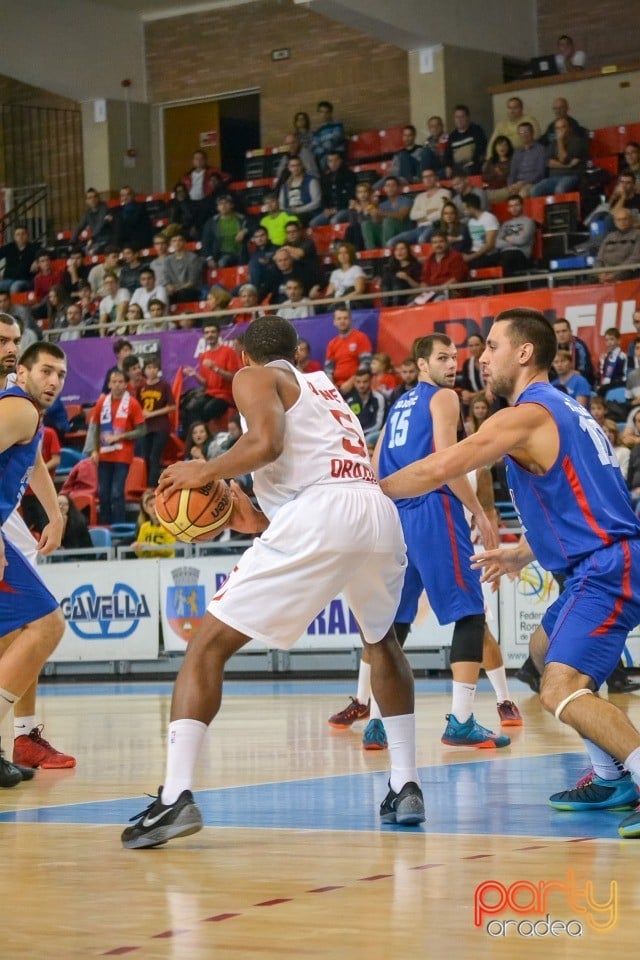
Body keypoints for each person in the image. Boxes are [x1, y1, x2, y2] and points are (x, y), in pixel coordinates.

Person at [122, 315, 424, 848]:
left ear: (242, 356)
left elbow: (266, 444)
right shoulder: (324, 387)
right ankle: (405, 786)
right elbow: (315, 483)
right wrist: (259, 520)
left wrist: (204, 471)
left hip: (325, 513)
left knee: (205, 647)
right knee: (382, 642)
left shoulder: (253, 377)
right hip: (374, 512)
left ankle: (175, 798)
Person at [379, 307, 640, 838]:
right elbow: (578, 496)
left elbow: (439, 466)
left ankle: (628, 769)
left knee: (559, 688)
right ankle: (612, 776)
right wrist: (522, 554)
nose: (481, 358)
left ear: (524, 353)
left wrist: (366, 491)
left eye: (492, 347)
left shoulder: (525, 413)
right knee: (542, 653)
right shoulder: (562, 408)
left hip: (609, 566)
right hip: (597, 561)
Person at [355, 335, 517, 750]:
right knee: (469, 611)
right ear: (422, 364)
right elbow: (447, 463)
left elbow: (374, 467)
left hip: (394, 515)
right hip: (433, 509)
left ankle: (377, 722)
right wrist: (480, 512)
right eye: (442, 358)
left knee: (395, 623)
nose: (452, 364)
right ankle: (461, 720)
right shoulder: (443, 398)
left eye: (455, 358)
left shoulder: (396, 406)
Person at [0, 323, 75, 776]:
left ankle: (16, 741)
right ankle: (21, 735)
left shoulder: (23, 409)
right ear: (25, 372)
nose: (55, 381)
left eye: (62, 374)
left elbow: (32, 458)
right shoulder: (18, 408)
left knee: (22, 630)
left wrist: (56, 512)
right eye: (46, 370)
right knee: (45, 623)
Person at [86, 370, 146, 525]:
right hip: (104, 453)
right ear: (109, 384)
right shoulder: (102, 402)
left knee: (117, 492)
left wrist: (121, 436)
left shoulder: (132, 403)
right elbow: (95, 427)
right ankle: (106, 526)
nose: (117, 385)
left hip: (122, 455)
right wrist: (93, 449)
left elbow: (142, 430)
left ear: (126, 385)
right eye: (114, 382)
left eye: (121, 382)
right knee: (103, 493)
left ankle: (119, 525)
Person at [181, 321, 242, 429]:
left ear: (219, 334)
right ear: (204, 335)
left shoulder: (228, 352)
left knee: (207, 410)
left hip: (226, 396)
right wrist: (194, 374)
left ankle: (205, 437)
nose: (210, 334)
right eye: (207, 332)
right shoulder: (204, 355)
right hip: (210, 394)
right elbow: (205, 384)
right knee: (190, 409)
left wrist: (215, 368)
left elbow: (234, 377)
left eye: (213, 332)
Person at [137, 356, 176, 487]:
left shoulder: (164, 385)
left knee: (155, 457)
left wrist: (152, 413)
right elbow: (136, 405)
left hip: (160, 426)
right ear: (145, 370)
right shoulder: (141, 386)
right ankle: (144, 486)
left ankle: (152, 487)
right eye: (149, 367)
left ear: (158, 369)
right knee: (145, 457)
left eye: (154, 367)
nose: (151, 370)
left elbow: (172, 406)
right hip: (145, 427)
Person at [324, 305, 372, 391]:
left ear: (350, 320)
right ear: (334, 322)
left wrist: (351, 382)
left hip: (357, 386)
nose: (342, 321)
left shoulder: (361, 337)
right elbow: (328, 369)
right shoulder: (332, 343)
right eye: (339, 319)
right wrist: (332, 386)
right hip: (336, 387)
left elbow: (366, 363)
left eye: (345, 318)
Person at [132, 488, 175, 558]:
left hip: (166, 564)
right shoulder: (144, 527)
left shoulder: (169, 526)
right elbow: (140, 554)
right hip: (148, 564)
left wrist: (150, 546)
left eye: (156, 504)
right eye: (151, 506)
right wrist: (137, 548)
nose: (154, 508)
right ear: (146, 509)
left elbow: (170, 549)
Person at [552, 317, 595, 386]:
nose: (561, 335)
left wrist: (569, 374)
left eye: (564, 331)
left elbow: (585, 371)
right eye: (557, 332)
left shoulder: (579, 346)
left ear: (570, 332)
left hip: (578, 383)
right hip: (558, 382)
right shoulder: (552, 348)